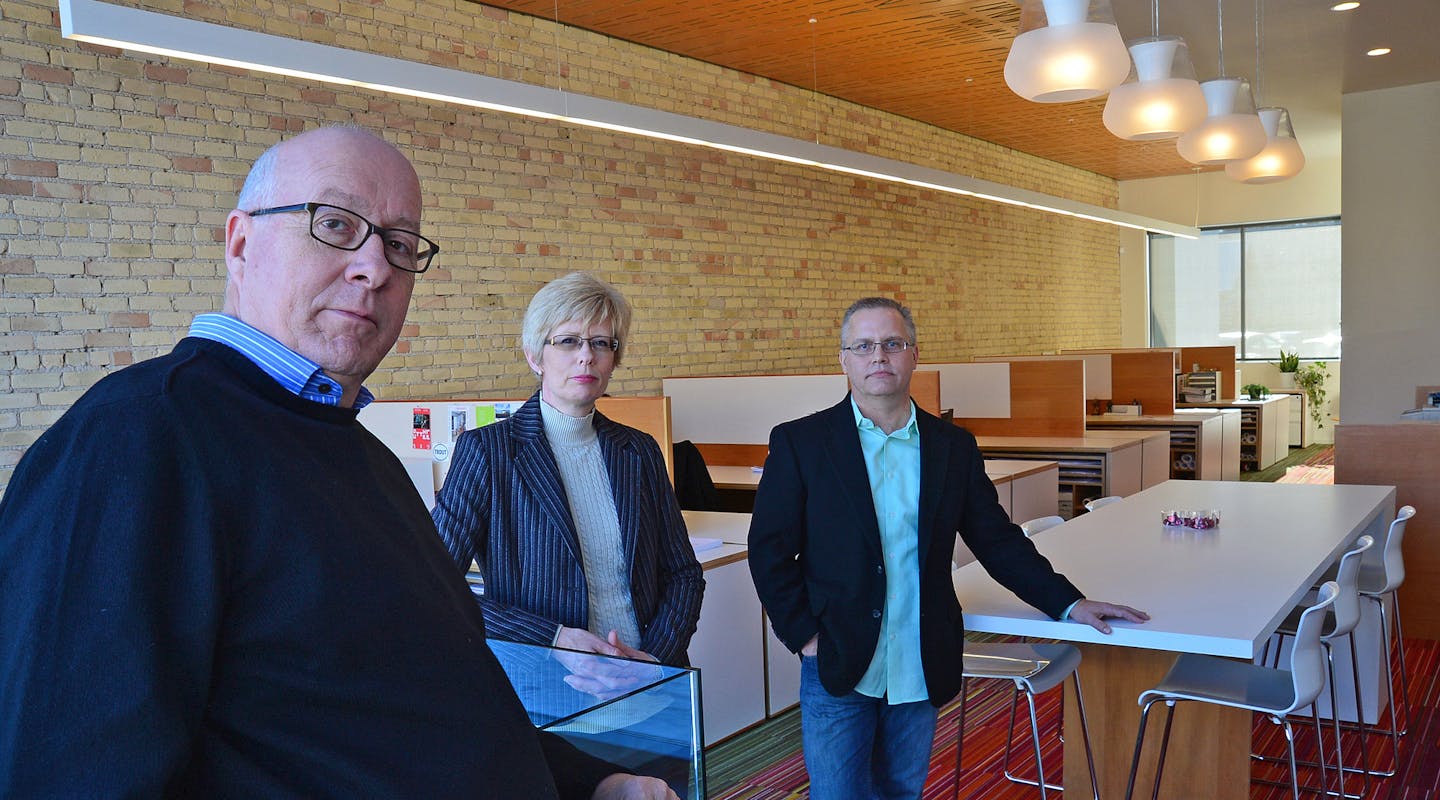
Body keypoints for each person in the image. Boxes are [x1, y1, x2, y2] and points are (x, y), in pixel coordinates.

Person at [0, 126, 675, 800]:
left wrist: (595, 782)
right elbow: (70, 774)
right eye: (334, 224)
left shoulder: (361, 454)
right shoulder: (137, 441)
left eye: (400, 244)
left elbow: (432, 702)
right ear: (241, 242)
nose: (375, 268)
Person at [747, 297, 1150, 800]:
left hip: (922, 653)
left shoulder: (952, 446)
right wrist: (806, 637)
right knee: (837, 794)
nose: (879, 357)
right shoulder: (801, 442)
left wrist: (1067, 600)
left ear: (914, 355)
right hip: (837, 655)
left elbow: (997, 540)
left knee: (900, 789)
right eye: (864, 346)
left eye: (892, 344)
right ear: (844, 359)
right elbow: (768, 550)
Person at [432, 272, 704, 669]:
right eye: (567, 341)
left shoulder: (639, 450)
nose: (586, 356)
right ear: (534, 355)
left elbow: (682, 574)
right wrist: (554, 639)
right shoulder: (489, 452)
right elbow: (435, 584)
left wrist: (652, 657)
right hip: (544, 683)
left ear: (615, 358)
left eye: (601, 343)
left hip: (646, 679)